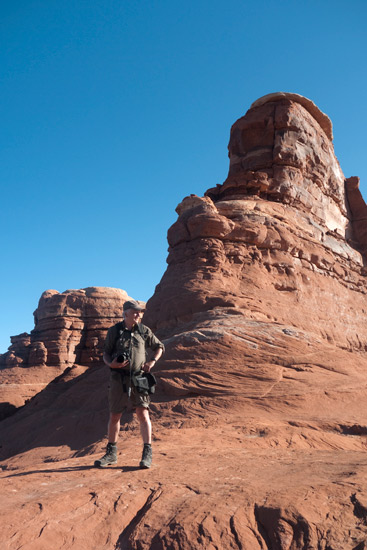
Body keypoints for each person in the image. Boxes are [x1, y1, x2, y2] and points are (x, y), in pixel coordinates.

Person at [95, 300, 164, 469]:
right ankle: (111, 454)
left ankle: (147, 453)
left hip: (139, 378)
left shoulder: (144, 330)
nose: (138, 315)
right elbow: (106, 353)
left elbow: (159, 347)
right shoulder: (115, 331)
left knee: (143, 414)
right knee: (115, 415)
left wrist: (152, 362)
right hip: (118, 378)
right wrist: (110, 364)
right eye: (135, 312)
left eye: (140, 312)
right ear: (125, 313)